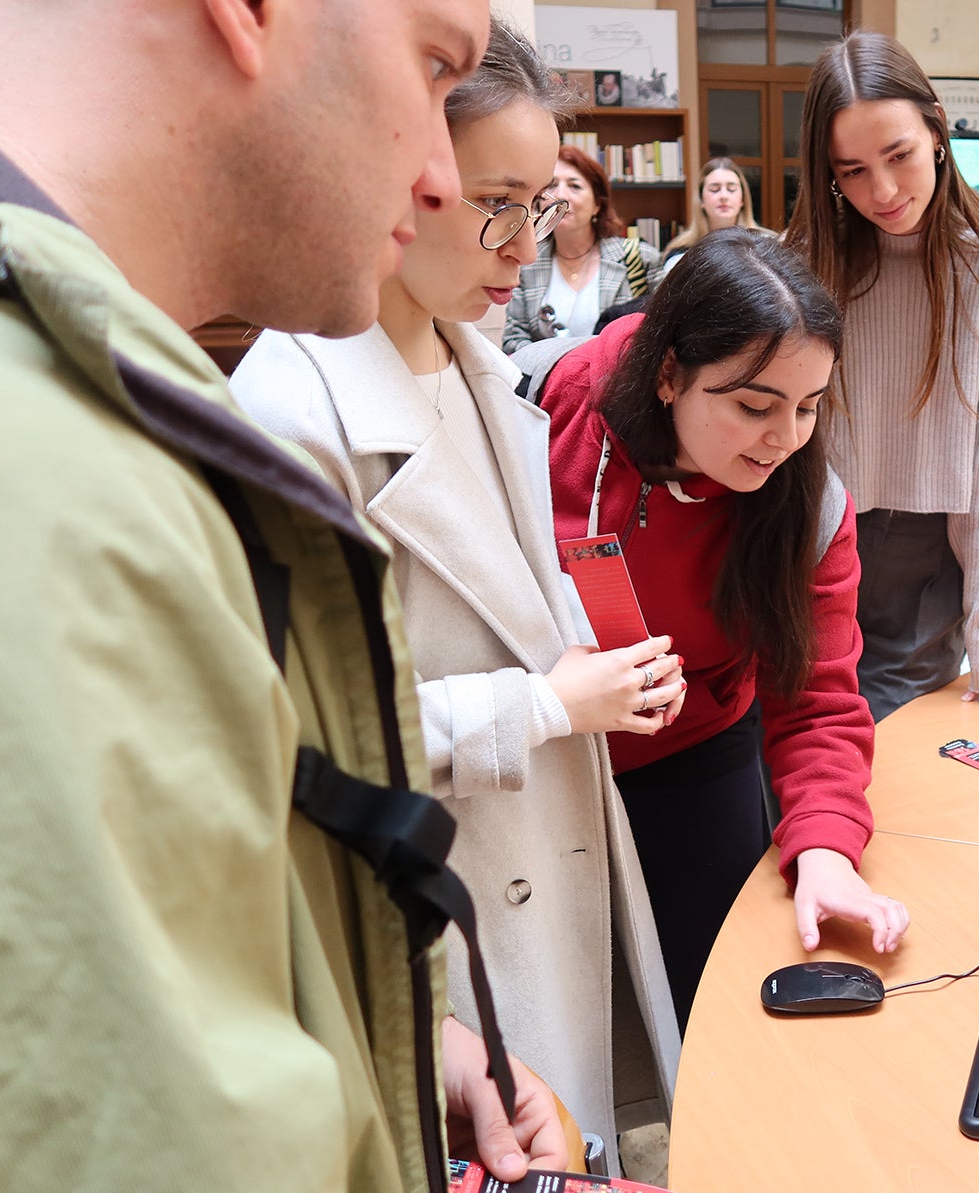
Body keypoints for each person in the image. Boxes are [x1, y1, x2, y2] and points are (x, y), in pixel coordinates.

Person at [0, 0, 567, 1188]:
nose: (437, 174)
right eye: (430, 68)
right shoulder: (23, 491)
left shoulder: (66, 398)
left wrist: (410, 1043)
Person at [228, 22, 679, 1170]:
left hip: (543, 855)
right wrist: (540, 706)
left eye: (543, 203)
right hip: (445, 906)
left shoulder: (486, 368)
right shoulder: (288, 409)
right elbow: (288, 747)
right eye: (497, 202)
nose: (524, 246)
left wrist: (592, 674)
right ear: (404, 168)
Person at [521, 230, 909, 1025]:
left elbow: (818, 698)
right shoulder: (544, 417)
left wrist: (827, 847)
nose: (786, 437)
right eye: (754, 406)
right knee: (561, 1019)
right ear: (669, 375)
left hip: (693, 745)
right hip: (542, 750)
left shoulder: (809, 503)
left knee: (713, 1006)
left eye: (809, 406)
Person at [787, 31, 979, 722]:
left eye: (898, 156)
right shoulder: (803, 262)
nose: (881, 191)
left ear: (937, 131)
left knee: (889, 742)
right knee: (797, 734)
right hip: (801, 531)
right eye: (850, 171)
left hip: (928, 543)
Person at [502, 145, 660, 350]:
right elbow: (513, 341)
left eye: (574, 186)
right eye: (551, 186)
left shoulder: (640, 258)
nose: (561, 196)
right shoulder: (527, 262)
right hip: (547, 379)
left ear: (597, 205)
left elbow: (665, 329)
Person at [659, 156, 770, 277]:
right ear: (701, 200)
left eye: (731, 189)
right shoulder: (680, 256)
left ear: (742, 199)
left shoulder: (767, 247)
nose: (723, 196)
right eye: (714, 189)